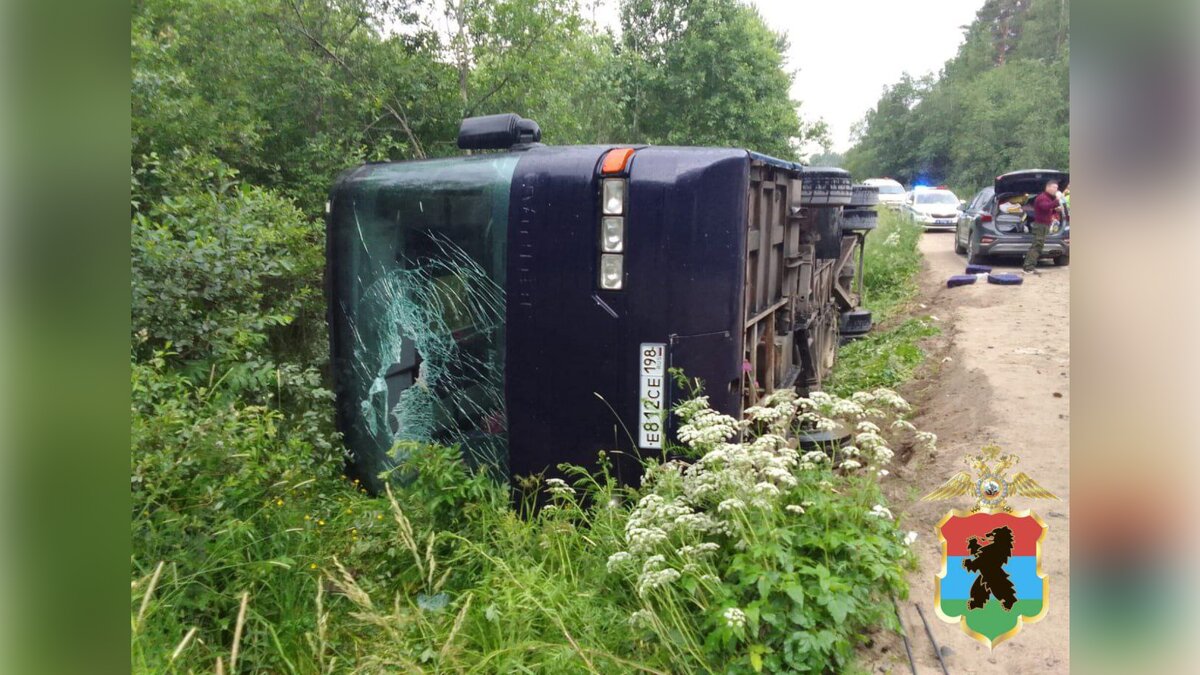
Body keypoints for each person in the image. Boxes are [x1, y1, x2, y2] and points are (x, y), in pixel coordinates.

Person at [1023, 180, 1064, 274]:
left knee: (1039, 246)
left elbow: (1047, 210)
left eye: (1057, 188)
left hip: (1045, 225)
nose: (1056, 190)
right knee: (1037, 246)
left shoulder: (1048, 198)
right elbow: (1045, 207)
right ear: (1048, 187)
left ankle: (1030, 266)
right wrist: (1057, 200)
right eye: (1054, 187)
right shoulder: (1042, 197)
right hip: (1040, 225)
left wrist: (1055, 210)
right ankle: (1028, 267)